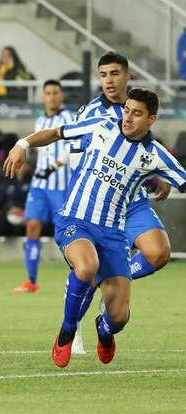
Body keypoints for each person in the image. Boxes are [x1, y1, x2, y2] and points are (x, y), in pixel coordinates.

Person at [4, 87, 186, 368]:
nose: (127, 118)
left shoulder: (156, 156)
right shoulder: (101, 125)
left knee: (119, 317)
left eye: (136, 114)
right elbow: (56, 133)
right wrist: (22, 144)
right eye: (126, 110)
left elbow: (182, 179)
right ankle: (67, 331)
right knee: (86, 267)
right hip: (75, 220)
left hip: (113, 234)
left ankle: (104, 329)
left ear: (151, 120)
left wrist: (167, 179)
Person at [70, 51, 172, 352]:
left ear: (128, 76)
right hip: (99, 202)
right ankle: (73, 329)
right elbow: (78, 159)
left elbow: (148, 144)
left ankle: (113, 278)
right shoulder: (90, 114)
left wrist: (163, 174)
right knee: (87, 270)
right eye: (103, 75)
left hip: (133, 201)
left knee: (158, 253)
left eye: (115, 73)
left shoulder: (139, 106)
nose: (109, 81)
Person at [14, 80, 76, 294]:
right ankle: (31, 280)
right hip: (39, 185)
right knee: (32, 226)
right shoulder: (40, 120)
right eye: (47, 93)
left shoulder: (69, 118)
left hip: (61, 185)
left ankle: (83, 274)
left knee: (66, 233)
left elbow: (74, 147)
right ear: (43, 97)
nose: (51, 97)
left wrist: (54, 166)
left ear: (61, 96)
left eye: (55, 93)